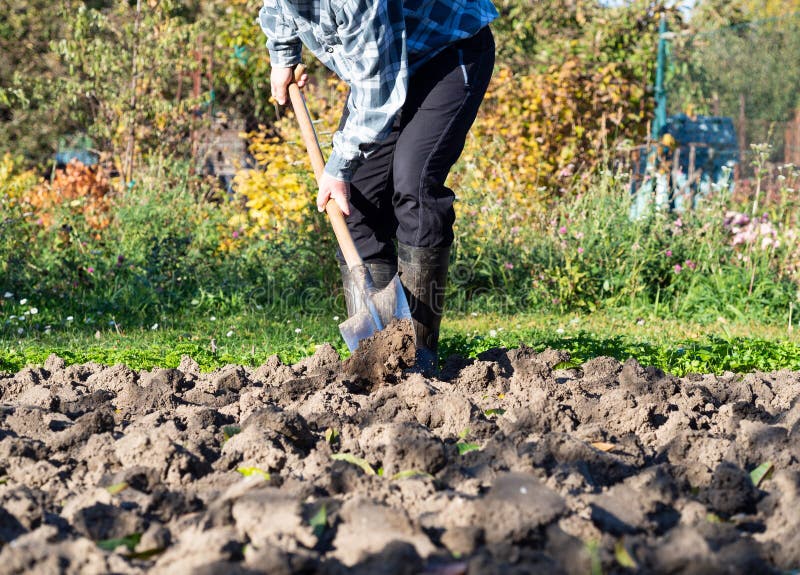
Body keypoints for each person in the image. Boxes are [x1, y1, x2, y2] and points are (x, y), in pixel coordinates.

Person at [260, 0, 497, 375]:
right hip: (385, 68)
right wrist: (283, 55)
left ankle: (419, 355)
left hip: (446, 54)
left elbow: (377, 94)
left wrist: (338, 168)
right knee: (356, 202)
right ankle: (377, 356)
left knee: (414, 183)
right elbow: (276, 7)